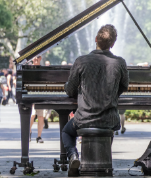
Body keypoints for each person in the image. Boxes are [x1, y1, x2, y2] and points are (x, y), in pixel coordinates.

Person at [62, 24, 129, 170]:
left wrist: (71, 88)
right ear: (113, 44)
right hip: (109, 118)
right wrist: (112, 95)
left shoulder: (81, 61)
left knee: (67, 131)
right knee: (109, 126)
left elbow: (70, 90)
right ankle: (103, 161)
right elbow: (125, 85)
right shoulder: (120, 62)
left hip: (84, 118)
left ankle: (73, 155)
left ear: (95, 39)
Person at [29, 55, 47, 143]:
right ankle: (29, 131)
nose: (36, 58)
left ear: (41, 58)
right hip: (31, 95)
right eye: (34, 57)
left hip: (40, 95)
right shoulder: (29, 69)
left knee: (41, 116)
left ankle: (39, 136)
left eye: (38, 57)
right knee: (32, 115)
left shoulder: (42, 70)